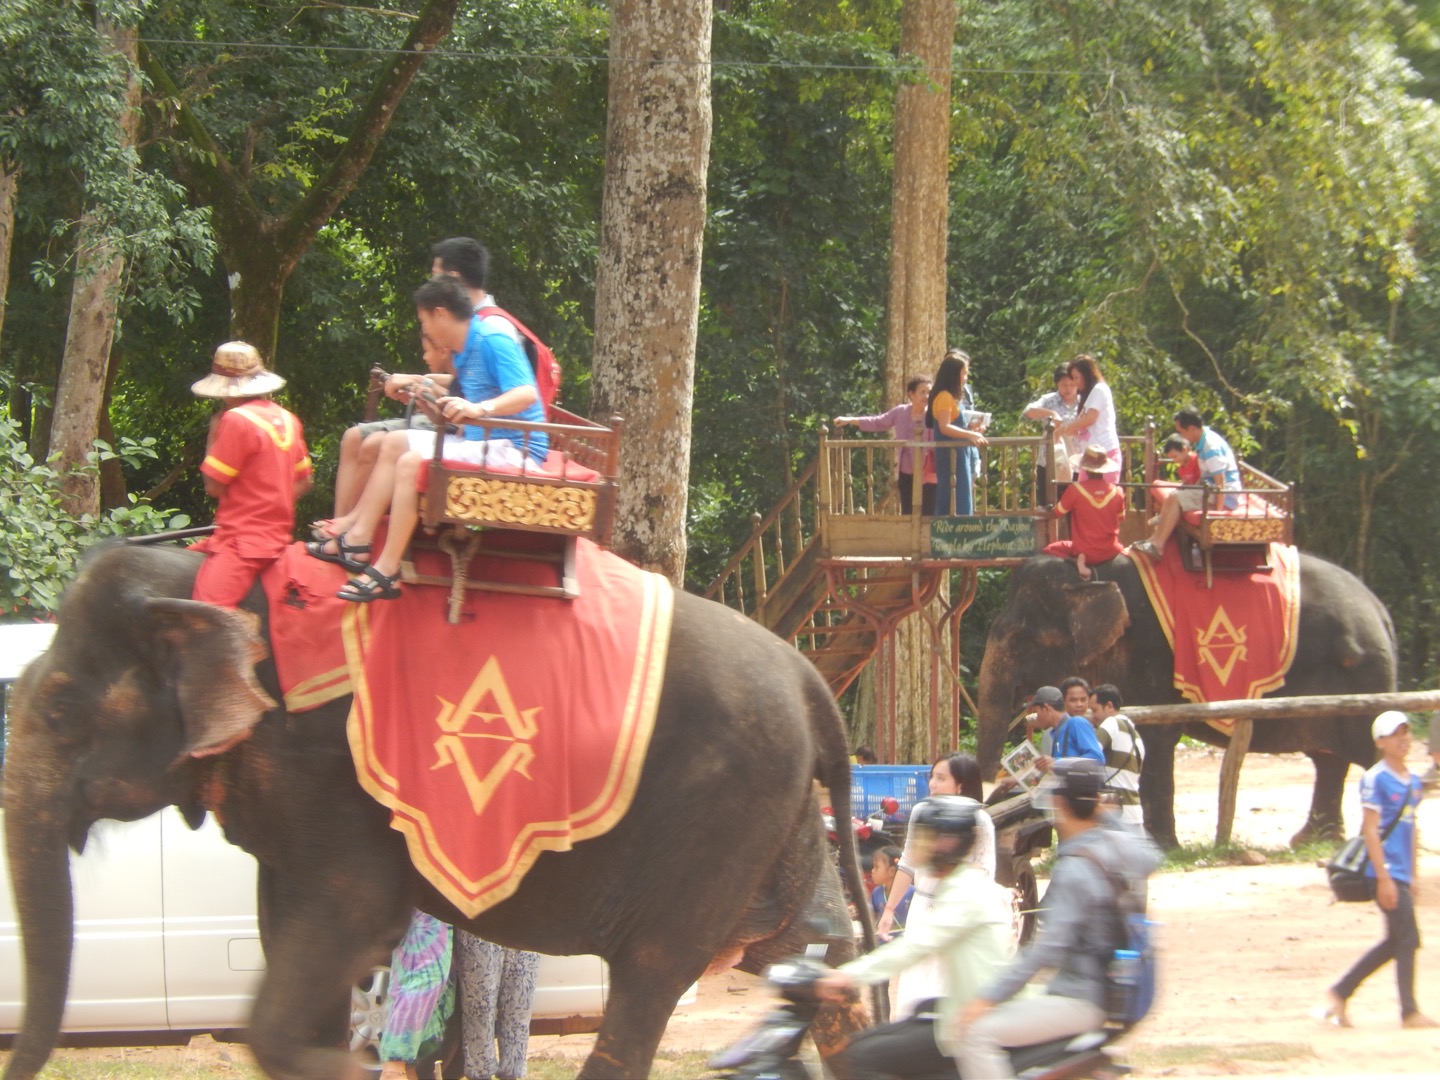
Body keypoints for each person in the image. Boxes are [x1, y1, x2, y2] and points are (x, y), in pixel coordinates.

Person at [313, 275, 548, 602]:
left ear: (440, 314)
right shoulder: (465, 348)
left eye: (424, 320)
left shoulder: (493, 338)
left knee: (411, 462)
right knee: (395, 443)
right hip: (484, 442)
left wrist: (480, 408)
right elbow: (458, 405)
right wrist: (427, 397)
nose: (424, 329)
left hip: (516, 450)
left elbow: (526, 393)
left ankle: (386, 569)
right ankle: (358, 538)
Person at [956, 758, 1160, 1079]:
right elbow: (1152, 856)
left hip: (1080, 998)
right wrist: (1107, 817)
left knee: (974, 1035)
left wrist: (988, 998)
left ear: (1059, 804)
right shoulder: (1115, 844)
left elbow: (1048, 947)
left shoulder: (1075, 867)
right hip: (1107, 991)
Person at [817, 799, 1015, 1080]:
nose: (916, 849)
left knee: (863, 1055)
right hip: (959, 1009)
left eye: (925, 839)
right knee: (883, 1033)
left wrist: (846, 976)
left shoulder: (964, 893)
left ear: (945, 844)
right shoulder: (959, 884)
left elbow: (913, 948)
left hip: (973, 1021)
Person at [320, 237, 493, 530]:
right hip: (456, 417)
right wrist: (421, 385)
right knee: (355, 437)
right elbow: (461, 382)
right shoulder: (471, 321)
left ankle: (353, 530)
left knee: (377, 443)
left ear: (452, 279)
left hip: (470, 429)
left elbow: (478, 393)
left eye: (434, 276)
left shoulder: (487, 328)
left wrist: (422, 386)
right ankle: (342, 525)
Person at [1317, 711, 1435, 1029]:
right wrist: (1383, 877)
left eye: (1405, 732)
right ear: (1380, 742)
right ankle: (1408, 1012)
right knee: (1407, 939)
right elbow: (1370, 829)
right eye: (1395, 734)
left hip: (1400, 873)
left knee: (1398, 940)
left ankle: (1340, 993)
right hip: (1382, 871)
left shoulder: (1412, 782)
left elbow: (1411, 828)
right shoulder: (1375, 779)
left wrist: (1413, 875)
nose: (1403, 739)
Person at [190, 342, 313, 608]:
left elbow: (214, 487)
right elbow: (304, 482)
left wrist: (214, 433)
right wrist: (270, 505)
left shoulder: (235, 419)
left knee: (203, 614)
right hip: (275, 537)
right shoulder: (288, 419)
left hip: (243, 543)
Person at [880, 754, 997, 1021]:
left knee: (949, 984)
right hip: (922, 909)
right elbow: (908, 863)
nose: (932, 784)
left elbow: (986, 871)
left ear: (960, 785)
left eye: (941, 778)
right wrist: (889, 909)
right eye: (932, 777)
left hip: (960, 914)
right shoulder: (921, 813)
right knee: (916, 979)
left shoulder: (980, 821)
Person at [1131, 408, 1240, 559]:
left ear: (1192, 428)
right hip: (1208, 489)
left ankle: (1158, 545)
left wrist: (1217, 514)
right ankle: (1153, 540)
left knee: (1177, 498)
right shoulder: (1204, 441)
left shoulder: (1211, 447)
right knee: (1173, 496)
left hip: (1222, 495)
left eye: (1182, 432)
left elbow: (1220, 483)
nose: (1182, 436)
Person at [834, 374, 937, 515]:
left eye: (929, 392)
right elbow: (878, 422)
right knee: (908, 513)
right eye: (923, 392)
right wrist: (850, 420)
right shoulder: (900, 412)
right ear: (911, 394)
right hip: (906, 473)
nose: (926, 396)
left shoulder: (934, 415)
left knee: (927, 514)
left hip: (927, 473)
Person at [378, 911, 455, 1080]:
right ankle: (393, 1069)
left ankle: (403, 1067)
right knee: (426, 974)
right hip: (428, 902)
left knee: (408, 974)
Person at [456, 933, 541, 1079]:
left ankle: (511, 1073)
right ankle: (480, 1073)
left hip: (524, 929)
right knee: (480, 1008)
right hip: (479, 928)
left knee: (519, 1008)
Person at [1039, 446, 1125, 581]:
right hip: (1111, 550)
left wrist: (1042, 512)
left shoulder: (1075, 490)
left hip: (1084, 552)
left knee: (1049, 549)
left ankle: (1077, 562)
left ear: (1085, 468)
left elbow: (1057, 513)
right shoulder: (1117, 492)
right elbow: (1121, 517)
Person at [925, 353, 988, 516]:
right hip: (949, 454)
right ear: (954, 374)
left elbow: (955, 424)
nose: (966, 378)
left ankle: (963, 524)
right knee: (952, 493)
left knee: (963, 492)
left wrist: (972, 430)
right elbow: (944, 427)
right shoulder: (944, 397)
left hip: (960, 453)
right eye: (964, 373)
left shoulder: (953, 397)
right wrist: (970, 435)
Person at [1087, 683, 1145, 830]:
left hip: (1116, 815)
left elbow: (1091, 755)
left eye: (1094, 710)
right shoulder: (1136, 736)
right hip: (1134, 811)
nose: (1092, 716)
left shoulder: (1111, 723)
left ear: (1109, 706)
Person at [1022, 364, 1082, 496]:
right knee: (1049, 499)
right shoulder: (1049, 400)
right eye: (1063, 385)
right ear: (1057, 384)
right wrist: (1051, 413)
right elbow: (1028, 411)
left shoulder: (1083, 402)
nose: (1068, 389)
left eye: (1072, 385)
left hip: (1076, 460)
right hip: (1051, 460)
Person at [1055, 355, 1119, 468]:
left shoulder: (1100, 389)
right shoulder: (1088, 396)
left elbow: (1090, 419)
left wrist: (1064, 428)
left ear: (1086, 374)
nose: (1075, 382)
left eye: (1076, 378)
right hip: (1088, 456)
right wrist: (1073, 430)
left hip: (1104, 453)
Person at [869, 846, 914, 944]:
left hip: (906, 943)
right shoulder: (876, 892)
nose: (872, 871)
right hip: (883, 943)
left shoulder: (912, 892)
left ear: (891, 871)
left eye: (876, 867)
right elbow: (872, 918)